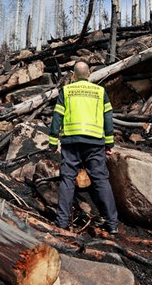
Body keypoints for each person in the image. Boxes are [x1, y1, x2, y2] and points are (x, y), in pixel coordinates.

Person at [48, 61, 119, 234]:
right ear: (88, 75)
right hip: (95, 142)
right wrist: (109, 143)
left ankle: (62, 222)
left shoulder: (66, 91)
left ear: (73, 75)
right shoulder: (100, 92)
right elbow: (108, 118)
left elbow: (57, 117)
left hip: (72, 142)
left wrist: (52, 142)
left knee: (67, 179)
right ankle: (112, 224)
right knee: (101, 180)